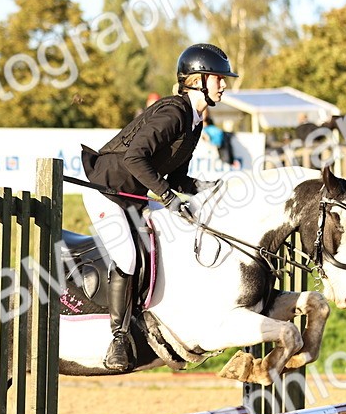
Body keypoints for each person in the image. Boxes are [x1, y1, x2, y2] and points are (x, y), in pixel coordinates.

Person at [80, 43, 238, 371]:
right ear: (197, 80)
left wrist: (214, 188)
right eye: (218, 78)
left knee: (184, 233)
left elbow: (178, 179)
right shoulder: (174, 111)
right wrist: (166, 197)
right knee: (127, 256)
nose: (224, 85)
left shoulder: (194, 122)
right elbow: (136, 157)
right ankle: (119, 338)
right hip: (108, 193)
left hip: (136, 196)